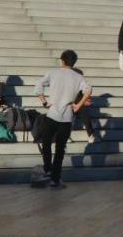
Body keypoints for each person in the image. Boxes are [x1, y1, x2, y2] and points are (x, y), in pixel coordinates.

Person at [33, 49, 92, 189]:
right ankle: (55, 179)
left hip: (52, 114)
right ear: (74, 62)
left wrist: (44, 101)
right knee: (60, 148)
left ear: (62, 60)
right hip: (67, 117)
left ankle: (47, 168)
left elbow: (38, 84)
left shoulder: (53, 73)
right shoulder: (78, 77)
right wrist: (78, 105)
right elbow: (88, 90)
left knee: (46, 142)